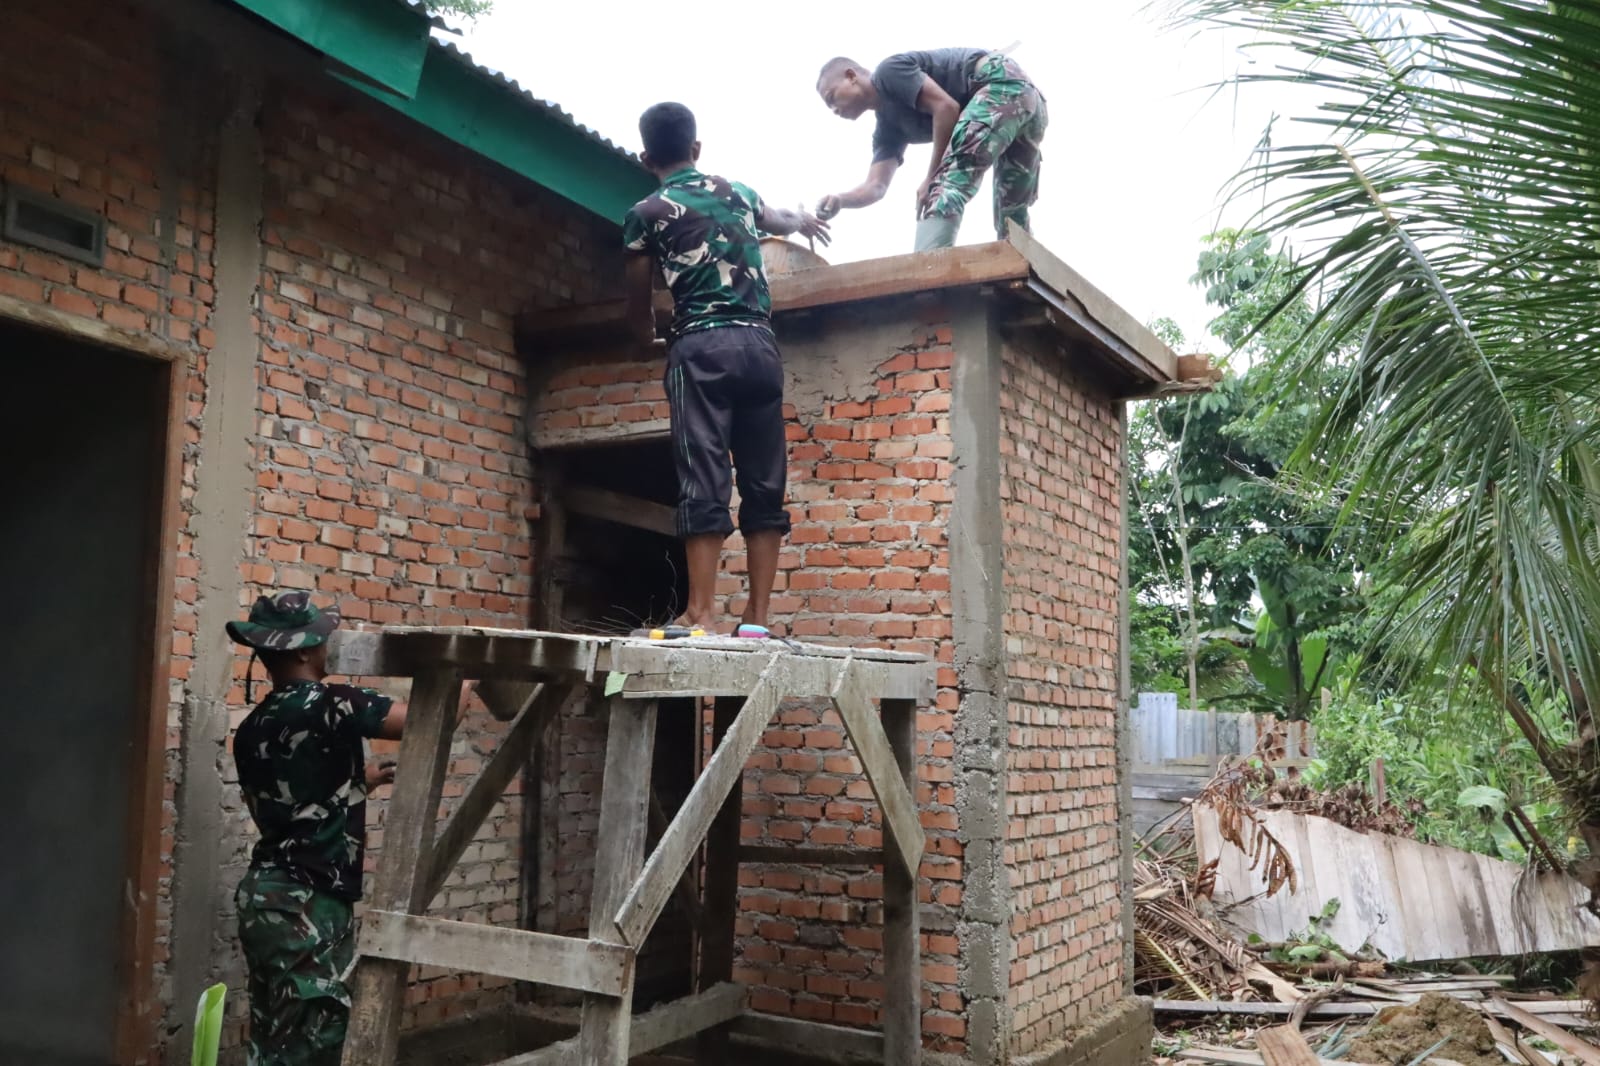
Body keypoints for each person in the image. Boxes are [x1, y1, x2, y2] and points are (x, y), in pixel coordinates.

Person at [623, 101, 830, 639]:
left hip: (701, 349)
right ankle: (756, 621)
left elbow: (638, 297)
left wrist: (644, 336)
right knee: (764, 482)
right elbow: (782, 220)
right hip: (761, 348)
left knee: (704, 475)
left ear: (647, 158)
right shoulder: (738, 192)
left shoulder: (646, 213)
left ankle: (701, 614)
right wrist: (805, 220)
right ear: (697, 149)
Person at [227, 591, 406, 1066]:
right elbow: (423, 719)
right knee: (315, 1045)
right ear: (304, 649)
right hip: (309, 899)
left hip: (265, 896)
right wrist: (470, 679)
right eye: (324, 637)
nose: (331, 645)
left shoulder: (251, 727)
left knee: (274, 1041)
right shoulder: (333, 704)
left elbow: (280, 807)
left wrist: (354, 782)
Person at [814, 48, 1048, 251]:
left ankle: (928, 283)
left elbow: (946, 107)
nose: (834, 109)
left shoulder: (888, 73)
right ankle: (1024, 283)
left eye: (832, 97)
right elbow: (876, 186)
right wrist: (840, 200)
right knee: (1012, 216)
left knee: (940, 189)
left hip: (1000, 84)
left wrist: (932, 177)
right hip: (1027, 103)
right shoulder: (887, 129)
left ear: (851, 76)